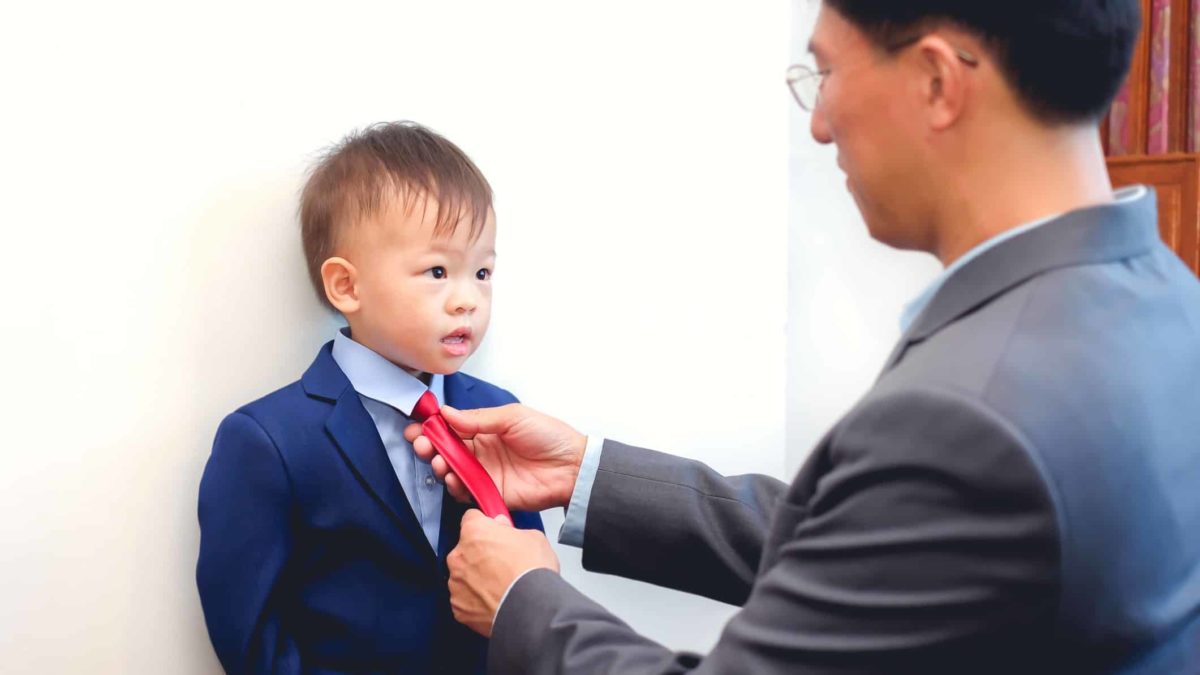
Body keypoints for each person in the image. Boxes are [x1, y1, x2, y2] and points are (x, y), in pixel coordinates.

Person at [408, 2, 1200, 673]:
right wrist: (589, 473)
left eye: (824, 74)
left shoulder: (971, 413)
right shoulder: (1167, 301)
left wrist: (524, 602)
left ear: (936, 81)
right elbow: (885, 554)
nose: (819, 126)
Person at [196, 121, 543, 674]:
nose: (468, 300)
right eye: (437, 270)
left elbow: (528, 586)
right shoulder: (268, 440)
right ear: (346, 287)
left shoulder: (497, 413)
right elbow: (253, 636)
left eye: (482, 272)